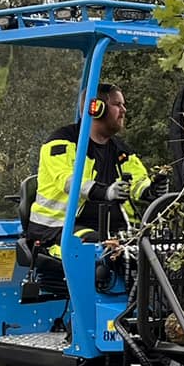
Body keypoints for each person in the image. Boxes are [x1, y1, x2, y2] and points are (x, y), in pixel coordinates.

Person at [26, 82, 154, 257]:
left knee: (155, 248)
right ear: (96, 109)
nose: (124, 110)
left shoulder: (121, 150)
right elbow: (67, 181)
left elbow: (138, 181)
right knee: (105, 251)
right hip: (59, 228)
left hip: (111, 230)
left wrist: (151, 190)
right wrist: (105, 192)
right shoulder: (61, 143)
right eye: (117, 105)